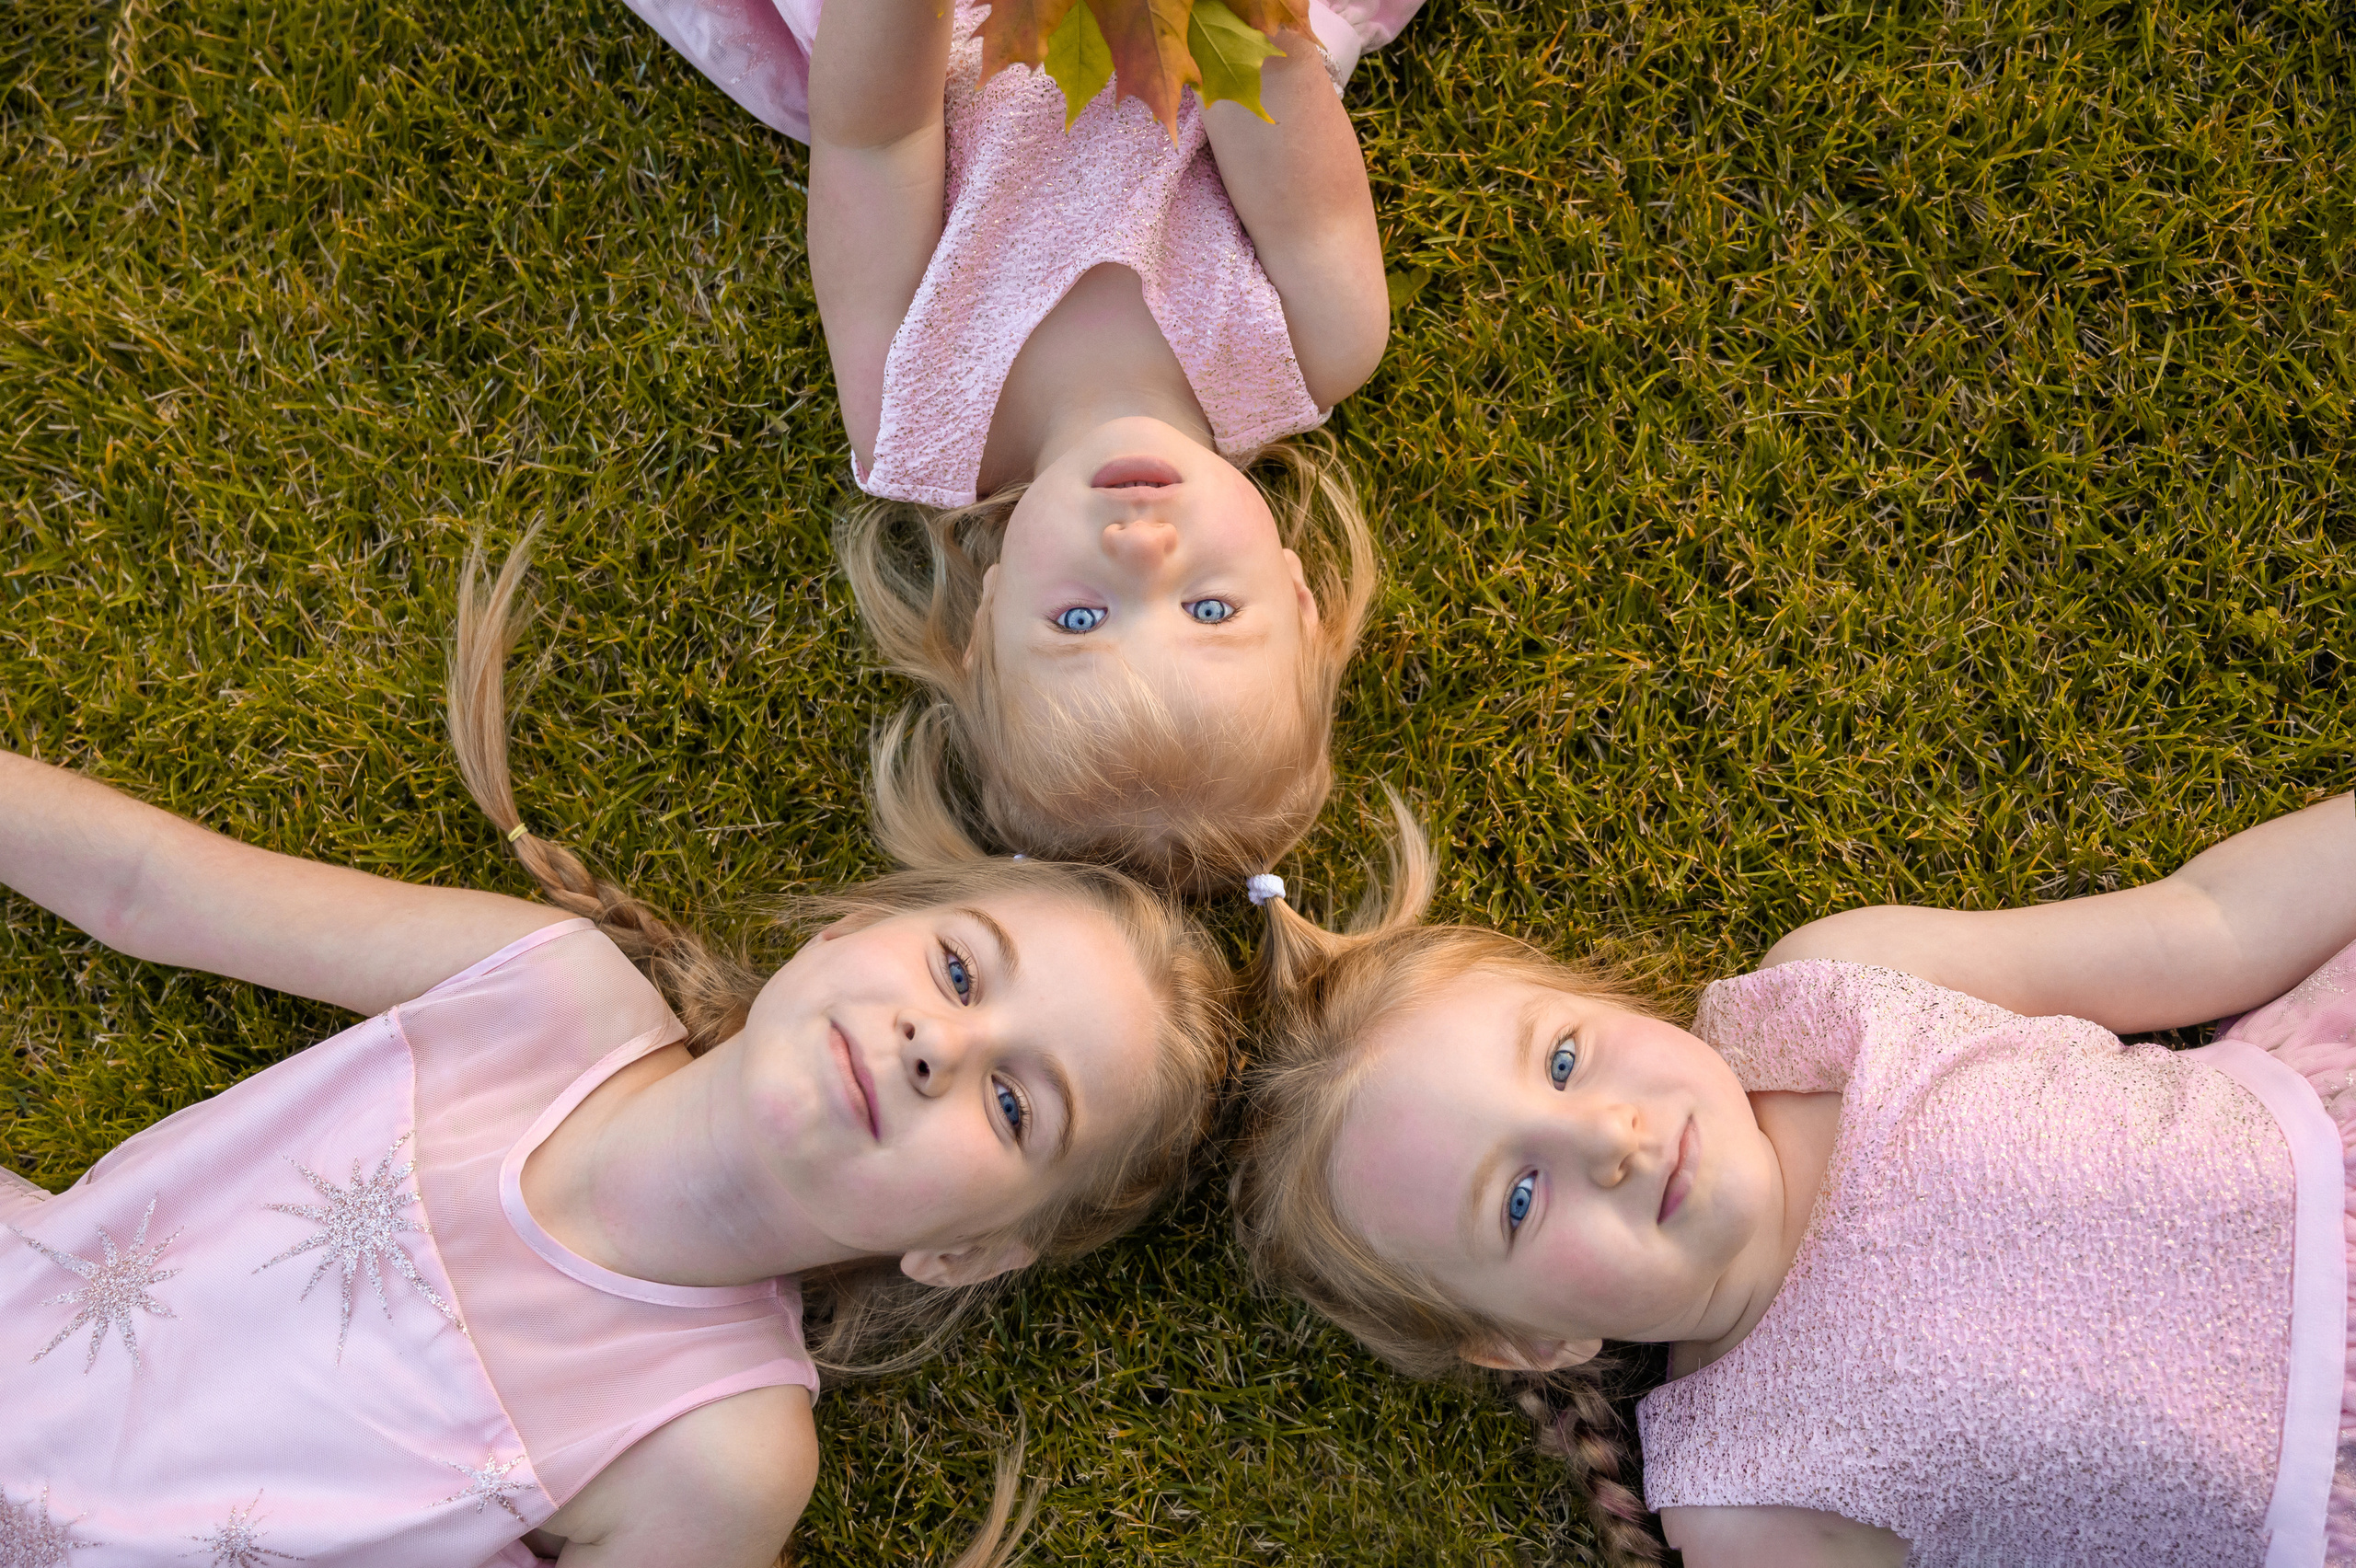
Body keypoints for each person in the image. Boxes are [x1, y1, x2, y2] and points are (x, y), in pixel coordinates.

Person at [0, 544, 1235, 1567]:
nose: (938, 1045)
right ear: (856, 932)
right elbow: (146, 887)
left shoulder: (719, 1450)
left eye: (1015, 1104)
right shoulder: (543, 994)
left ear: (968, 1251)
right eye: (959, 972)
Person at [1230, 791, 2356, 1566]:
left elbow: (2202, 925)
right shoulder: (1751, 1502)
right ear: (1532, 1341)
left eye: (1563, 1059)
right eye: (1519, 1199)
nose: (1604, 1138)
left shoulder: (1830, 995)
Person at [618, 0, 1409, 888]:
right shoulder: (1314, 342)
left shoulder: (915, 408)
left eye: (1080, 622)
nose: (1143, 549)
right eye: (1211, 612)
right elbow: (1274, 78)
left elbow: (873, 141)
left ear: (987, 624)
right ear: (1300, 600)